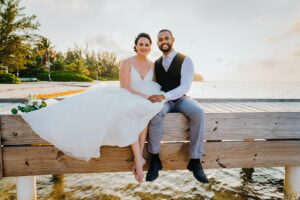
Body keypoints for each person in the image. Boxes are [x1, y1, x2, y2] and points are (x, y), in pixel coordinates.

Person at [21, 33, 164, 183]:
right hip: (128, 95)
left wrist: (153, 98)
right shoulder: (127, 62)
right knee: (131, 113)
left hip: (145, 101)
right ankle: (138, 159)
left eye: (147, 45)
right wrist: (144, 97)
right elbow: (125, 86)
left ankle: (139, 158)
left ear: (150, 47)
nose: (144, 47)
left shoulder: (153, 65)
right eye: (141, 44)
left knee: (144, 115)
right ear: (135, 46)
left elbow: (153, 86)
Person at [146, 29, 209, 183]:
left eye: (166, 38)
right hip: (165, 102)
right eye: (160, 39)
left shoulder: (185, 60)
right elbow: (153, 84)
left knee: (198, 113)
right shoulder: (157, 63)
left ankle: (194, 161)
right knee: (154, 113)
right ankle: (155, 159)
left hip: (181, 99)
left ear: (173, 39)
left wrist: (164, 96)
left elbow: (185, 86)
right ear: (157, 43)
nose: (163, 41)